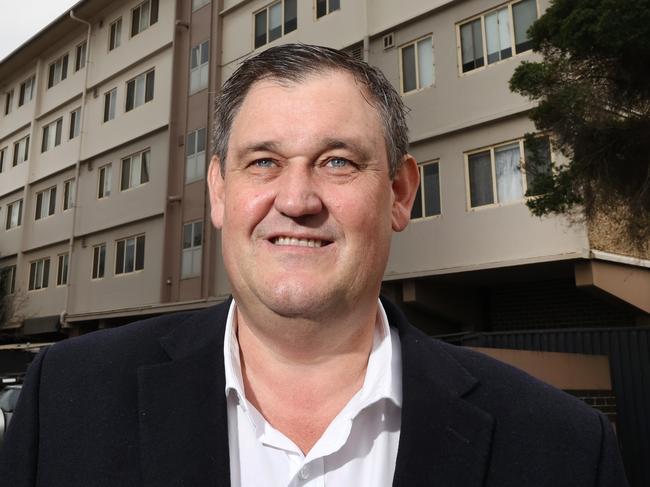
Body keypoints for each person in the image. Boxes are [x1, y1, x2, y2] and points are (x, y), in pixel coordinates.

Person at [0, 44, 628, 487]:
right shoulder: (67, 400)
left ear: (400, 194)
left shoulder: (563, 447)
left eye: (337, 162)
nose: (297, 201)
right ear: (219, 193)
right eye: (264, 162)